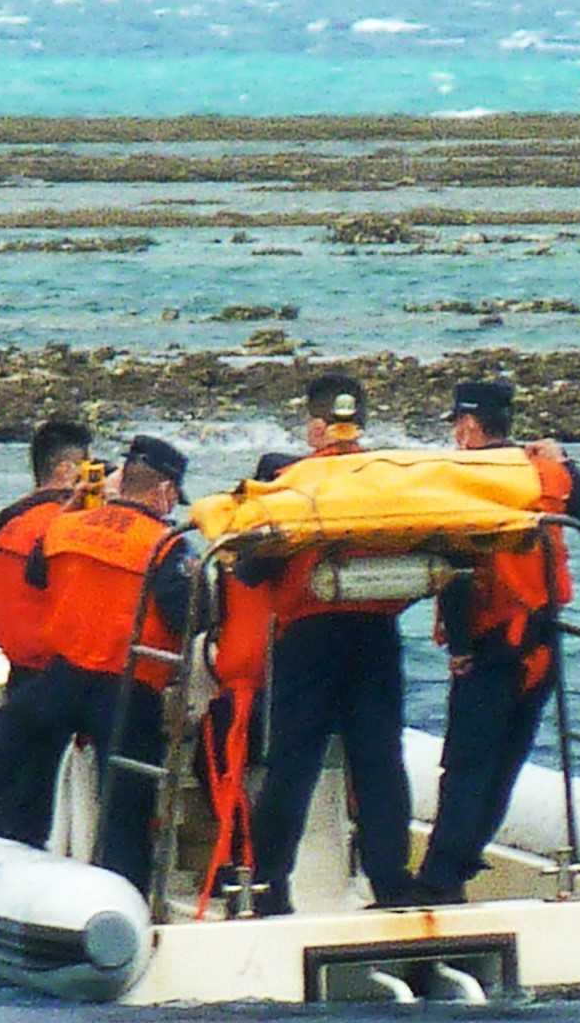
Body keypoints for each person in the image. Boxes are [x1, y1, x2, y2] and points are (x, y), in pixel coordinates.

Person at [0, 436, 195, 896]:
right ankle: (125, 894)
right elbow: (186, 612)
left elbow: (35, 576)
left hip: (66, 673)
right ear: (165, 491)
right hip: (129, 688)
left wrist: (74, 510)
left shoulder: (68, 525)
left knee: (16, 727)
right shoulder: (165, 545)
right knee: (125, 804)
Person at [411, 381, 580, 903]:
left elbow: (456, 570)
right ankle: (464, 856)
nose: (457, 434)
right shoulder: (540, 470)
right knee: (506, 760)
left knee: (466, 764)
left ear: (471, 425)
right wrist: (565, 462)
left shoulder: (464, 479)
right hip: (542, 645)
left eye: (459, 423)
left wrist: (458, 645)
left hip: (491, 644)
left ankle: (440, 879)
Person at [241, 374, 419, 913]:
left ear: (316, 426)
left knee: (292, 766)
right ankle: (390, 882)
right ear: (361, 422)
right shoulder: (389, 479)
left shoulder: (292, 483)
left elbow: (251, 567)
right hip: (376, 637)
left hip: (310, 637)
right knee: (381, 762)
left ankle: (271, 884)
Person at [0, 420, 98, 697]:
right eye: (87, 466)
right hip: (58, 673)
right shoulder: (68, 526)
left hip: (20, 667)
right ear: (66, 471)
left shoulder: (10, 520)